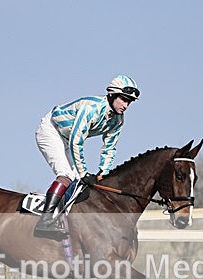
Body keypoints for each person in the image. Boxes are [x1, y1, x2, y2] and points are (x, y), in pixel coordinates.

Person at [33, 75, 140, 238]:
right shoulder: (91, 108)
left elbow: (110, 148)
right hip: (51, 130)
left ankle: (60, 218)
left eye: (129, 102)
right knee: (68, 175)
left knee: (76, 182)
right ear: (112, 95)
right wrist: (85, 173)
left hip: (66, 138)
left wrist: (103, 172)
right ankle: (45, 221)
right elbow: (77, 141)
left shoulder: (118, 121)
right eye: (123, 99)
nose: (126, 105)